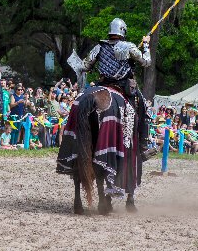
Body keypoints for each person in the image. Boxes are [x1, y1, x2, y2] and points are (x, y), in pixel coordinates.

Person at [57, 17, 151, 212]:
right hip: (122, 87)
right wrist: (147, 46)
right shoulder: (129, 46)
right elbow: (146, 62)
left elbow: (85, 66)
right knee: (143, 108)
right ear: (123, 31)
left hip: (101, 84)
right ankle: (143, 145)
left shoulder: (98, 48)